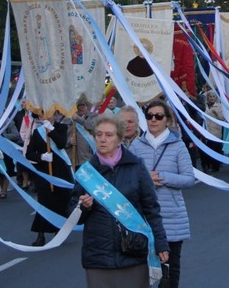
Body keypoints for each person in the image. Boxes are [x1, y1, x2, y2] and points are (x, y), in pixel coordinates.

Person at [69, 114, 169, 287]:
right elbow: (71, 213)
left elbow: (151, 209)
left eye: (109, 135)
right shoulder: (86, 173)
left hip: (133, 252)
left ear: (120, 139)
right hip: (98, 255)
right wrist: (83, 207)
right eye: (98, 135)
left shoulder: (136, 167)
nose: (102, 139)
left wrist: (161, 243)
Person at [130, 100, 195, 287]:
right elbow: (126, 176)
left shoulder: (178, 146)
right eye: (149, 116)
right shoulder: (136, 145)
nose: (153, 120)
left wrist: (162, 177)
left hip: (171, 216)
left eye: (158, 116)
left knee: (169, 269)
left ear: (167, 120)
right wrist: (145, 178)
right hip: (142, 217)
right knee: (141, 269)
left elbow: (189, 179)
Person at [26, 113, 73, 246]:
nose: (46, 117)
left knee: (60, 202)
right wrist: (41, 157)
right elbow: (29, 153)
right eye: (43, 115)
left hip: (60, 171)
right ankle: (40, 235)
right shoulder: (37, 132)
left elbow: (61, 143)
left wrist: (51, 130)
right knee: (44, 202)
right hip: (45, 172)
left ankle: (59, 232)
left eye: (49, 114)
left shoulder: (61, 127)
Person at [202, 90, 224, 173]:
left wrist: (217, 114)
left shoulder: (219, 106)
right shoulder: (205, 105)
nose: (212, 98)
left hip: (215, 130)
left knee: (215, 148)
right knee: (207, 148)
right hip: (205, 130)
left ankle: (215, 166)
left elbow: (223, 118)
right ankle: (208, 165)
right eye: (210, 96)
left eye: (213, 96)